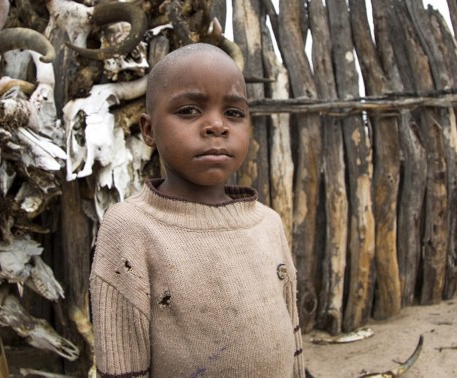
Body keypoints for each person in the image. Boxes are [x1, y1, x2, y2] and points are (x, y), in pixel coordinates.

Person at [90, 43, 305, 377]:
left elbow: (291, 330)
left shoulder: (266, 223)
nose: (217, 126)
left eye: (234, 113)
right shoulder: (132, 227)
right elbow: (122, 362)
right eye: (189, 110)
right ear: (149, 130)